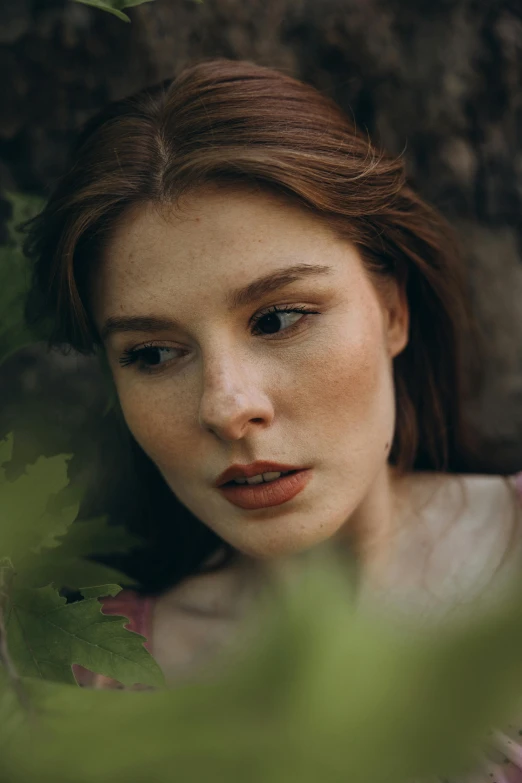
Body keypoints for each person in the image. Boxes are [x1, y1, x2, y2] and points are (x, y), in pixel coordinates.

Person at [22, 59, 522, 780]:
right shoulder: (83, 685)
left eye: (280, 317)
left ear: (391, 309)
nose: (228, 407)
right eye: (155, 353)